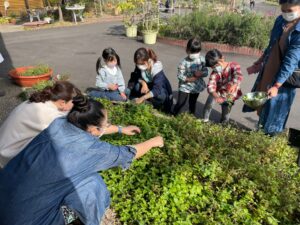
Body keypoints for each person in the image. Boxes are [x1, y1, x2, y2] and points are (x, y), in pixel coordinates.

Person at [0, 95, 164, 225]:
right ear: (94, 129)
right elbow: (129, 153)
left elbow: (89, 129)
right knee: (93, 184)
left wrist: (121, 129)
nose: (107, 127)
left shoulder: (59, 123)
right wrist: (154, 141)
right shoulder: (93, 150)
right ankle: (73, 220)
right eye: (106, 125)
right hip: (28, 220)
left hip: (5, 197)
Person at [244, 0, 300, 135]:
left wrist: (277, 85)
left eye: (290, 11)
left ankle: (268, 142)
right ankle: (260, 134)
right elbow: (272, 45)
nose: (286, 14)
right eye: (283, 10)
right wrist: (260, 61)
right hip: (269, 71)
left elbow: (291, 61)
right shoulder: (280, 20)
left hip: (284, 80)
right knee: (264, 107)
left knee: (275, 115)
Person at [0, 81, 80, 168]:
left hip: (4, 144)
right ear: (62, 102)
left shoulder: (42, 101)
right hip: (7, 155)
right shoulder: (48, 114)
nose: (74, 107)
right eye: (73, 104)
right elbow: (68, 133)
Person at [127, 48, 173, 113]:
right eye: (137, 64)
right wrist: (143, 83)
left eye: (140, 64)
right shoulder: (140, 64)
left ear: (147, 61)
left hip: (161, 89)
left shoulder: (157, 69)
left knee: (161, 96)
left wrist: (142, 98)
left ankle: (155, 105)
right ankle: (144, 100)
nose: (138, 66)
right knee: (136, 85)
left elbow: (157, 90)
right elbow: (136, 76)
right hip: (149, 86)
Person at [203, 49, 243, 123]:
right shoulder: (215, 72)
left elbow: (238, 75)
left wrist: (234, 84)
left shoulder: (234, 65)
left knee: (226, 110)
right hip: (218, 91)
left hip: (230, 93)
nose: (214, 68)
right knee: (209, 103)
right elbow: (211, 85)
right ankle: (205, 120)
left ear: (222, 59)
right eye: (212, 67)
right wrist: (216, 96)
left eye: (215, 66)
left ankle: (224, 122)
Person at [172, 37, 208, 116]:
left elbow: (206, 72)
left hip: (196, 86)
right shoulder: (183, 62)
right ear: (187, 50)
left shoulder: (202, 60)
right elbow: (179, 75)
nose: (195, 55)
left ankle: (191, 116)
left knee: (193, 102)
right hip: (185, 86)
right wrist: (188, 79)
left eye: (197, 52)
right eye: (192, 52)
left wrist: (201, 73)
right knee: (181, 102)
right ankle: (174, 114)